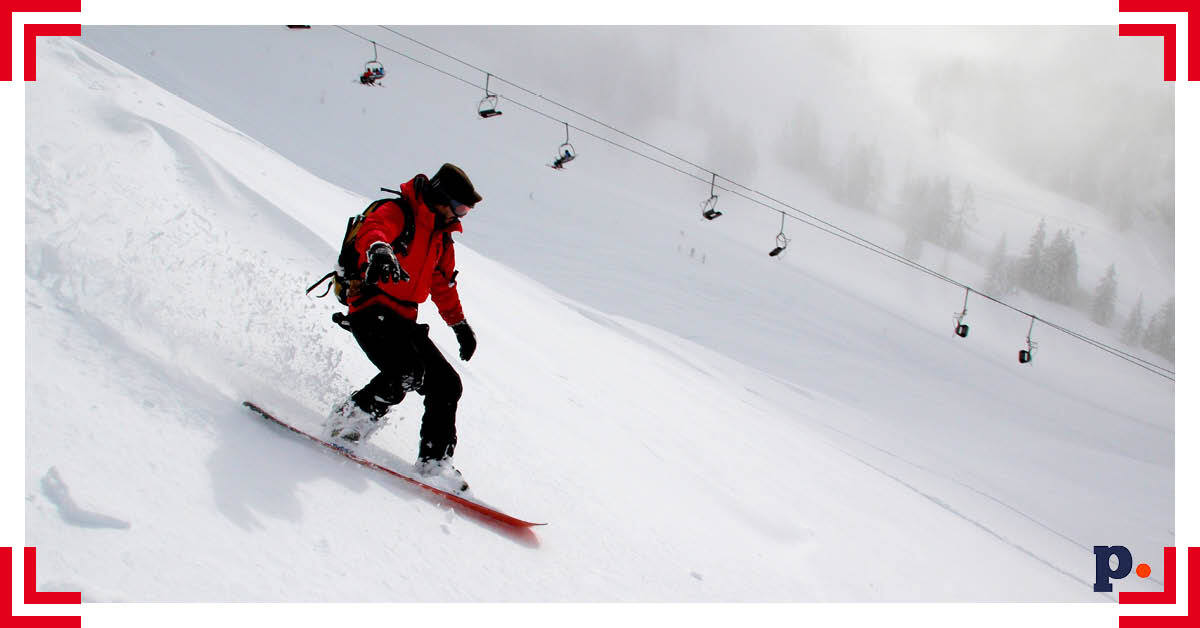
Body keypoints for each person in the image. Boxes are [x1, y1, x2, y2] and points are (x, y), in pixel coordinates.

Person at [325, 163, 483, 493]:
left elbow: (442, 285)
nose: (460, 216)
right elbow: (374, 230)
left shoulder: (442, 238)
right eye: (459, 207)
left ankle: (433, 462)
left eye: (466, 211)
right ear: (440, 196)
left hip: (404, 319)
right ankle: (347, 422)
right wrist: (379, 250)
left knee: (446, 384)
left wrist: (460, 325)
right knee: (405, 372)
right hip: (370, 309)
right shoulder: (399, 212)